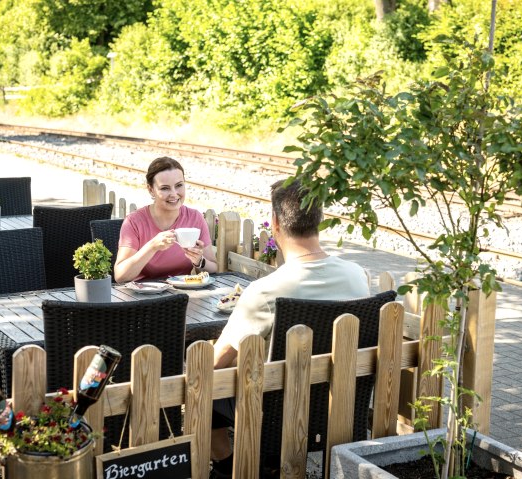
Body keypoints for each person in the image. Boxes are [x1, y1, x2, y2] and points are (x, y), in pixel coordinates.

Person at [209, 179, 370, 478]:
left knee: (206, 388)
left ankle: (229, 466)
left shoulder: (265, 291)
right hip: (343, 406)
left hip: (277, 417)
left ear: (274, 225)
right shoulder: (358, 276)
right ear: (320, 221)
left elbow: (215, 364)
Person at [114, 157, 217, 282]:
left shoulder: (195, 218)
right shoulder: (134, 221)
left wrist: (199, 261)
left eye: (179, 185)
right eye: (165, 188)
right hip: (142, 296)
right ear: (151, 190)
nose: (174, 194)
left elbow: (213, 268)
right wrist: (152, 247)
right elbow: (120, 276)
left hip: (182, 294)